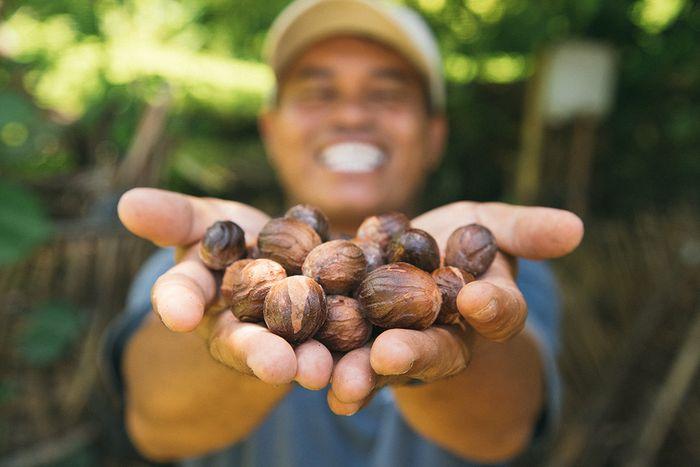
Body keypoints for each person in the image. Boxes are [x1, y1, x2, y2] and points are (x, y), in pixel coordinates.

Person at [103, 0, 584, 465]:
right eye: (318, 92)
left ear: (434, 133)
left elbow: (504, 431)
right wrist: (220, 324)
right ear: (270, 130)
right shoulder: (187, 267)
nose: (351, 115)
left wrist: (444, 355)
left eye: (385, 94)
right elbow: (155, 425)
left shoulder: (508, 270)